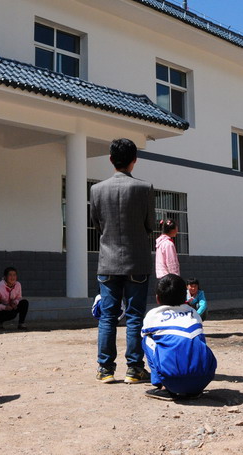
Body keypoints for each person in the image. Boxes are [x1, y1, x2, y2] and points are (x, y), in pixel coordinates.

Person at [89, 138, 155, 384]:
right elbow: (149, 224)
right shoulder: (144, 188)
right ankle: (134, 369)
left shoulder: (96, 190)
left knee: (108, 316)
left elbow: (96, 224)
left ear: (110, 159)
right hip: (136, 260)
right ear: (134, 160)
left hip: (107, 261)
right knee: (135, 316)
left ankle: (105, 369)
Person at [142, 274, 217, 401]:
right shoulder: (193, 313)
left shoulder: (153, 315)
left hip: (173, 379)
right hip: (205, 378)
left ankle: (163, 387)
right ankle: (194, 390)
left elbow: (145, 336)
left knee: (146, 339)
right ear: (185, 296)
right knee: (197, 339)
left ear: (157, 298)